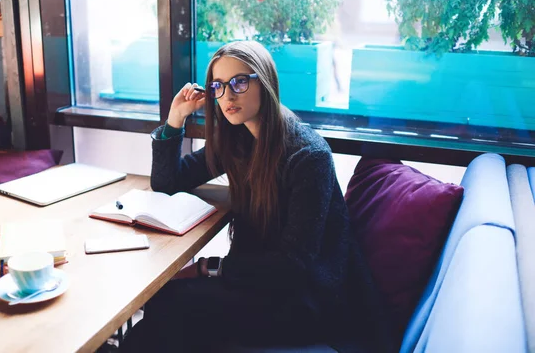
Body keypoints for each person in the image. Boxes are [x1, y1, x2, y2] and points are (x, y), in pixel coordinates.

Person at [119, 41, 392, 352]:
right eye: (218, 86)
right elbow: (168, 182)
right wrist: (175, 119)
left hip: (303, 301)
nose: (229, 95)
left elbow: (294, 266)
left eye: (240, 81)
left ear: (265, 82)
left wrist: (206, 267)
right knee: (160, 312)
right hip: (260, 282)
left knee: (167, 306)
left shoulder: (308, 156)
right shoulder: (238, 140)